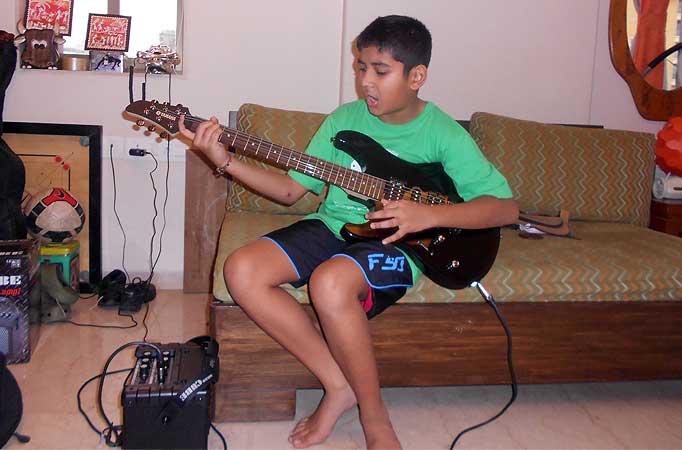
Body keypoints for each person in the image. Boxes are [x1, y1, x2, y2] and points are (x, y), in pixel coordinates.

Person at [180, 15, 518, 450]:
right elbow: (289, 190)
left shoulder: (442, 133)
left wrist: (426, 216)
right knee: (241, 270)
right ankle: (338, 385)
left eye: (380, 71)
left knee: (331, 282)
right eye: (361, 67)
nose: (366, 83)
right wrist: (223, 159)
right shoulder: (342, 122)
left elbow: (505, 207)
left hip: (403, 243)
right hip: (336, 225)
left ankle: (375, 418)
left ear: (417, 76)